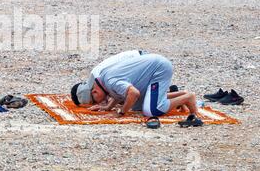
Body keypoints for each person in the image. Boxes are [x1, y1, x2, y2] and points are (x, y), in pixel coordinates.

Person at [71, 52, 203, 126]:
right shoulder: (103, 79)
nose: (98, 104)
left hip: (159, 69)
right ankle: (181, 95)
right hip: (152, 67)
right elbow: (118, 94)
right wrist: (108, 107)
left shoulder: (110, 81)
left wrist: (121, 113)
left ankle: (188, 98)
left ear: (95, 91)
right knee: (138, 105)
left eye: (95, 101)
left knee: (151, 110)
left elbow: (133, 93)